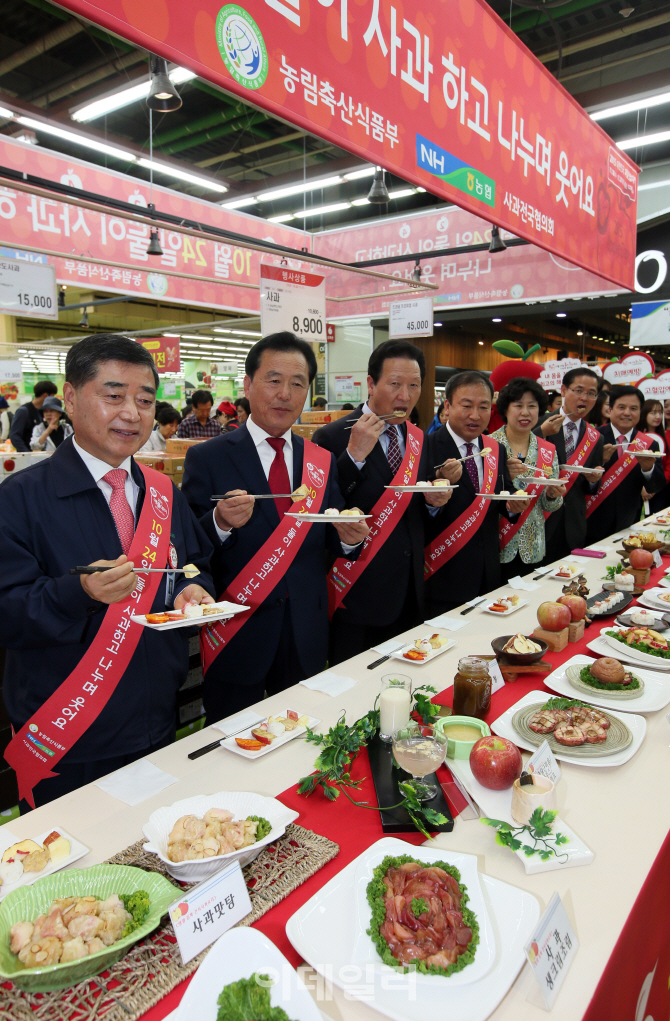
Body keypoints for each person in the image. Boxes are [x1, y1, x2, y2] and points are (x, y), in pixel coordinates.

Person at [0, 334, 215, 810]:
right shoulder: (19, 498)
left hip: (157, 718)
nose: (132, 414)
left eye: (144, 400)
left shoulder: (163, 493)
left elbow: (193, 567)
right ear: (72, 398)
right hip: (66, 734)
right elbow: (7, 611)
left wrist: (194, 591)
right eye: (114, 396)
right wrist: (79, 593)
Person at [182, 331, 369, 723]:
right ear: (248, 385)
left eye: (297, 383)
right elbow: (188, 549)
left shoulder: (321, 459)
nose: (285, 393)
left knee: (304, 738)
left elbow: (328, 538)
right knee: (232, 743)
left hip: (306, 630)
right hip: (237, 631)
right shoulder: (207, 457)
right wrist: (218, 522)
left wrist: (349, 541)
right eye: (274, 380)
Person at [312, 340, 455, 663]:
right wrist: (354, 457)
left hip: (409, 590)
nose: (405, 396)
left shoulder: (419, 439)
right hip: (356, 591)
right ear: (371, 384)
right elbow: (323, 510)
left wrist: (435, 502)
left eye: (414, 385)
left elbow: (420, 518)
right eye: (394, 384)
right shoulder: (333, 436)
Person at [424, 371, 527, 615]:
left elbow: (502, 493)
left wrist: (513, 504)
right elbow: (416, 509)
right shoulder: (426, 447)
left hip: (487, 570)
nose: (475, 415)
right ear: (447, 406)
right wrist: (436, 492)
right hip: (442, 571)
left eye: (483, 407)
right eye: (467, 406)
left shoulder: (496, 449)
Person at [490, 379, 565, 581]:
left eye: (532, 406)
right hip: (496, 545)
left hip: (533, 548)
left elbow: (550, 506)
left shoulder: (548, 450)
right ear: (505, 409)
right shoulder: (489, 445)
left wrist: (552, 495)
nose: (525, 412)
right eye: (518, 405)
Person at [533, 367, 604, 562]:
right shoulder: (539, 424)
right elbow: (520, 456)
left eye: (591, 393)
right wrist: (541, 433)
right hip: (540, 518)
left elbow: (592, 488)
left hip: (573, 524)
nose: (584, 398)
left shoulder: (596, 438)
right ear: (563, 390)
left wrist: (592, 480)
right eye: (578, 390)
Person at [586, 385, 665, 542]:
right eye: (621, 407)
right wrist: (598, 462)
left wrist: (648, 468)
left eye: (633, 408)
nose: (627, 413)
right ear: (611, 409)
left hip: (629, 523)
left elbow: (656, 486)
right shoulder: (593, 437)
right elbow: (578, 482)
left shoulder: (649, 444)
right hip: (591, 522)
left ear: (640, 411)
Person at [640, 399, 670, 513]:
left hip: (661, 491)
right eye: (653, 413)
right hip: (638, 491)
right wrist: (642, 488)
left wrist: (656, 486)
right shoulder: (637, 437)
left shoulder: (665, 437)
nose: (658, 416)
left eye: (660, 412)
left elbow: (668, 466)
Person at [9, 380, 57, 451]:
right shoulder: (24, 411)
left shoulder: (43, 411)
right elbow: (14, 435)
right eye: (52, 396)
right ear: (45, 396)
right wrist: (27, 453)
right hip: (28, 455)